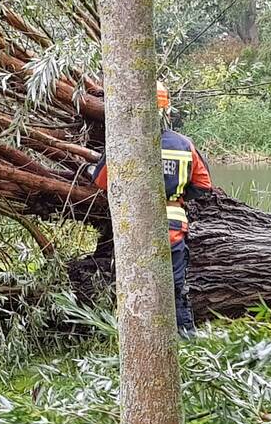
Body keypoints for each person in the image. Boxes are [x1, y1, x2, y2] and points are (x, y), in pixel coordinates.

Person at [92, 81, 214, 336]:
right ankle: (186, 337)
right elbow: (204, 185)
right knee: (176, 286)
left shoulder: (123, 143)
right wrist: (177, 195)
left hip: (135, 229)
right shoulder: (183, 144)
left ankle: (141, 337)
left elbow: (101, 181)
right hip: (173, 227)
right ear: (166, 110)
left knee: (137, 286)